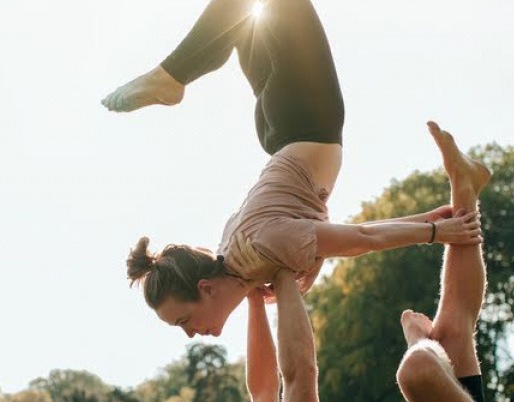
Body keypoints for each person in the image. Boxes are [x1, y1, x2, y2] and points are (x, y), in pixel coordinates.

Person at [121, 123, 514, 402]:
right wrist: (279, 272)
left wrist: (254, 295)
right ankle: (420, 341)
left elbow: (262, 389)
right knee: (417, 370)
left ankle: (464, 187)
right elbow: (298, 374)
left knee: (453, 328)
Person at [113, 0, 481, 338]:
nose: (190, 334)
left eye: (183, 322)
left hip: (306, 119)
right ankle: (176, 74)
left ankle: (173, 76)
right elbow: (312, 219)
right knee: (245, 22)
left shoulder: (262, 249)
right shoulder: (236, 251)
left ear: (205, 288)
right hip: (278, 129)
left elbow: (364, 239)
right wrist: (428, 220)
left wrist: (435, 232)